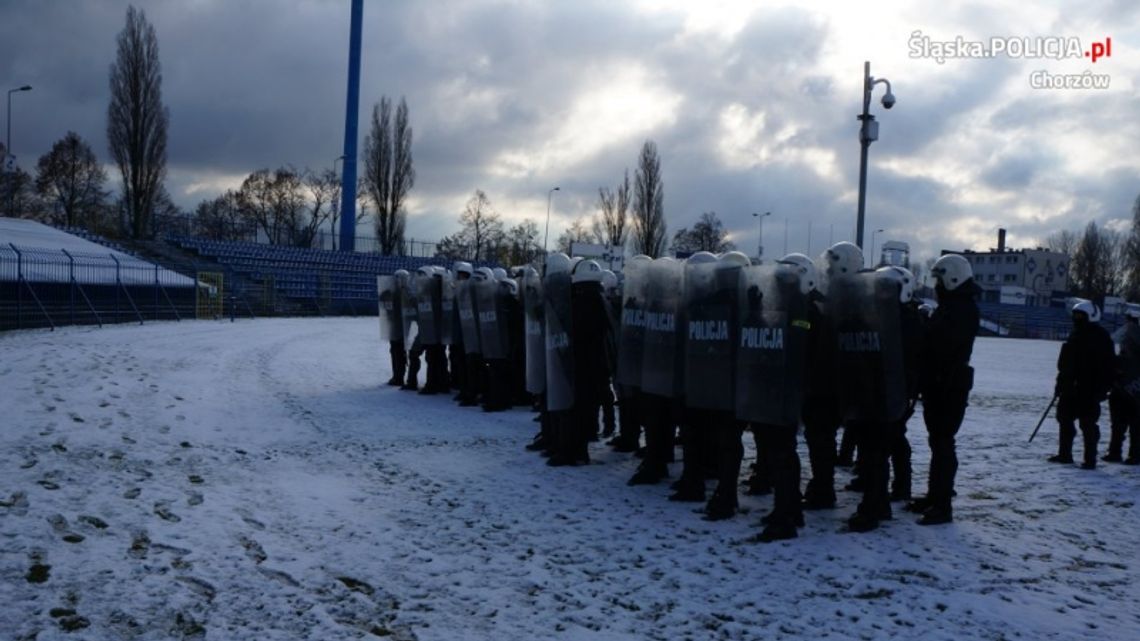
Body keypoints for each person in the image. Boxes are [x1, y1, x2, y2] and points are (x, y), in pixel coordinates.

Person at [906, 254, 979, 525]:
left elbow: (941, 344)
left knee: (943, 443)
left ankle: (942, 504)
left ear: (953, 278)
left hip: (948, 385)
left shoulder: (960, 309)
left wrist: (924, 326)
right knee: (937, 442)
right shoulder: (953, 305)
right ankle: (935, 495)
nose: (936, 284)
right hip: (940, 383)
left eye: (939, 279)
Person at [1048, 299, 1115, 470]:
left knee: (1088, 424)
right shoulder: (1075, 334)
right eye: (1075, 315)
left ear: (1090, 316)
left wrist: (1103, 388)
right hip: (1070, 387)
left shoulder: (1101, 337)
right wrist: (1060, 384)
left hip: (1089, 388)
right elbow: (1066, 363)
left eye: (1080, 315)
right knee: (1064, 420)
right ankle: (1065, 454)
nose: (1076, 318)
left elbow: (1108, 365)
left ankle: (1090, 459)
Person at [1105, 306, 1140, 464]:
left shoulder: (1131, 335)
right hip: (1123, 388)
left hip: (1131, 388)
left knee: (1131, 424)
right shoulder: (1126, 338)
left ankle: (1127, 454)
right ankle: (1118, 452)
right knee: (1122, 423)